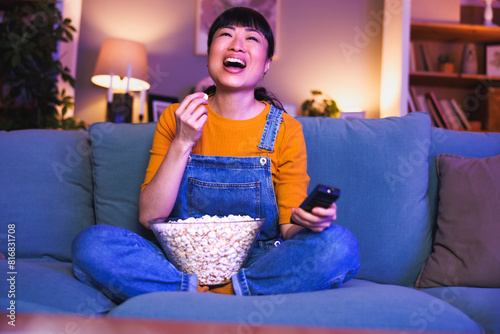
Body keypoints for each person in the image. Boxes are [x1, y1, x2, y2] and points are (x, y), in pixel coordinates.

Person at [72, 7, 359, 301]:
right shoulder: (177, 117)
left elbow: (288, 229)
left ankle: (221, 292)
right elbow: (149, 216)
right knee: (92, 243)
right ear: (211, 52)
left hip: (259, 263)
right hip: (180, 263)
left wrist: (308, 223)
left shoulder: (286, 129)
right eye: (225, 35)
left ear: (266, 64)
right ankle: (194, 290)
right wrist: (184, 140)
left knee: (339, 244)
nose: (237, 45)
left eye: (252, 39)